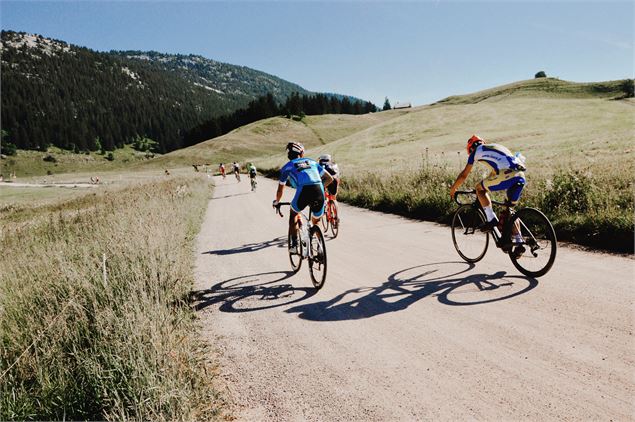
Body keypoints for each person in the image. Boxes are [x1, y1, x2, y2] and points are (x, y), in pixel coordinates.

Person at [449, 135, 527, 255]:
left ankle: (491, 219)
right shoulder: (496, 148)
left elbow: (464, 175)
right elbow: (494, 173)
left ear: (470, 149)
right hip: (520, 175)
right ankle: (518, 240)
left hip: (506, 174)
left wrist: (453, 188)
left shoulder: (475, 152)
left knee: (479, 189)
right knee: (508, 208)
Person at [273, 142, 334, 251]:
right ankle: (320, 250)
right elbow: (329, 179)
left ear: (289, 155)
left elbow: (280, 189)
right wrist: (318, 188)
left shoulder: (287, 166)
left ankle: (294, 245)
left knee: (293, 214)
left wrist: (277, 201)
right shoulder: (312, 162)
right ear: (301, 154)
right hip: (319, 190)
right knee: (317, 221)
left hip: (304, 191)